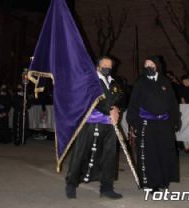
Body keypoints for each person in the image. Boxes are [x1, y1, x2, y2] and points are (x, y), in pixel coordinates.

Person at [65, 56, 125, 199]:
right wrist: (109, 109)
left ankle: (106, 188)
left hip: (109, 125)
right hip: (90, 124)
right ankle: (71, 184)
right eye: (104, 65)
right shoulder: (90, 81)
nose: (107, 68)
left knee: (109, 157)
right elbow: (93, 99)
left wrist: (117, 108)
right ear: (97, 67)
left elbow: (122, 97)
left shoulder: (114, 83)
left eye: (109, 66)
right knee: (81, 154)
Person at [126, 55, 180, 192]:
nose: (148, 67)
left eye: (151, 65)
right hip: (146, 124)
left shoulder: (165, 81)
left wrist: (175, 120)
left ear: (157, 66)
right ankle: (151, 183)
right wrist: (134, 122)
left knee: (165, 152)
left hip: (164, 124)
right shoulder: (140, 82)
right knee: (150, 154)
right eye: (146, 65)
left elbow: (172, 103)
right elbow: (133, 104)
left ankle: (164, 181)